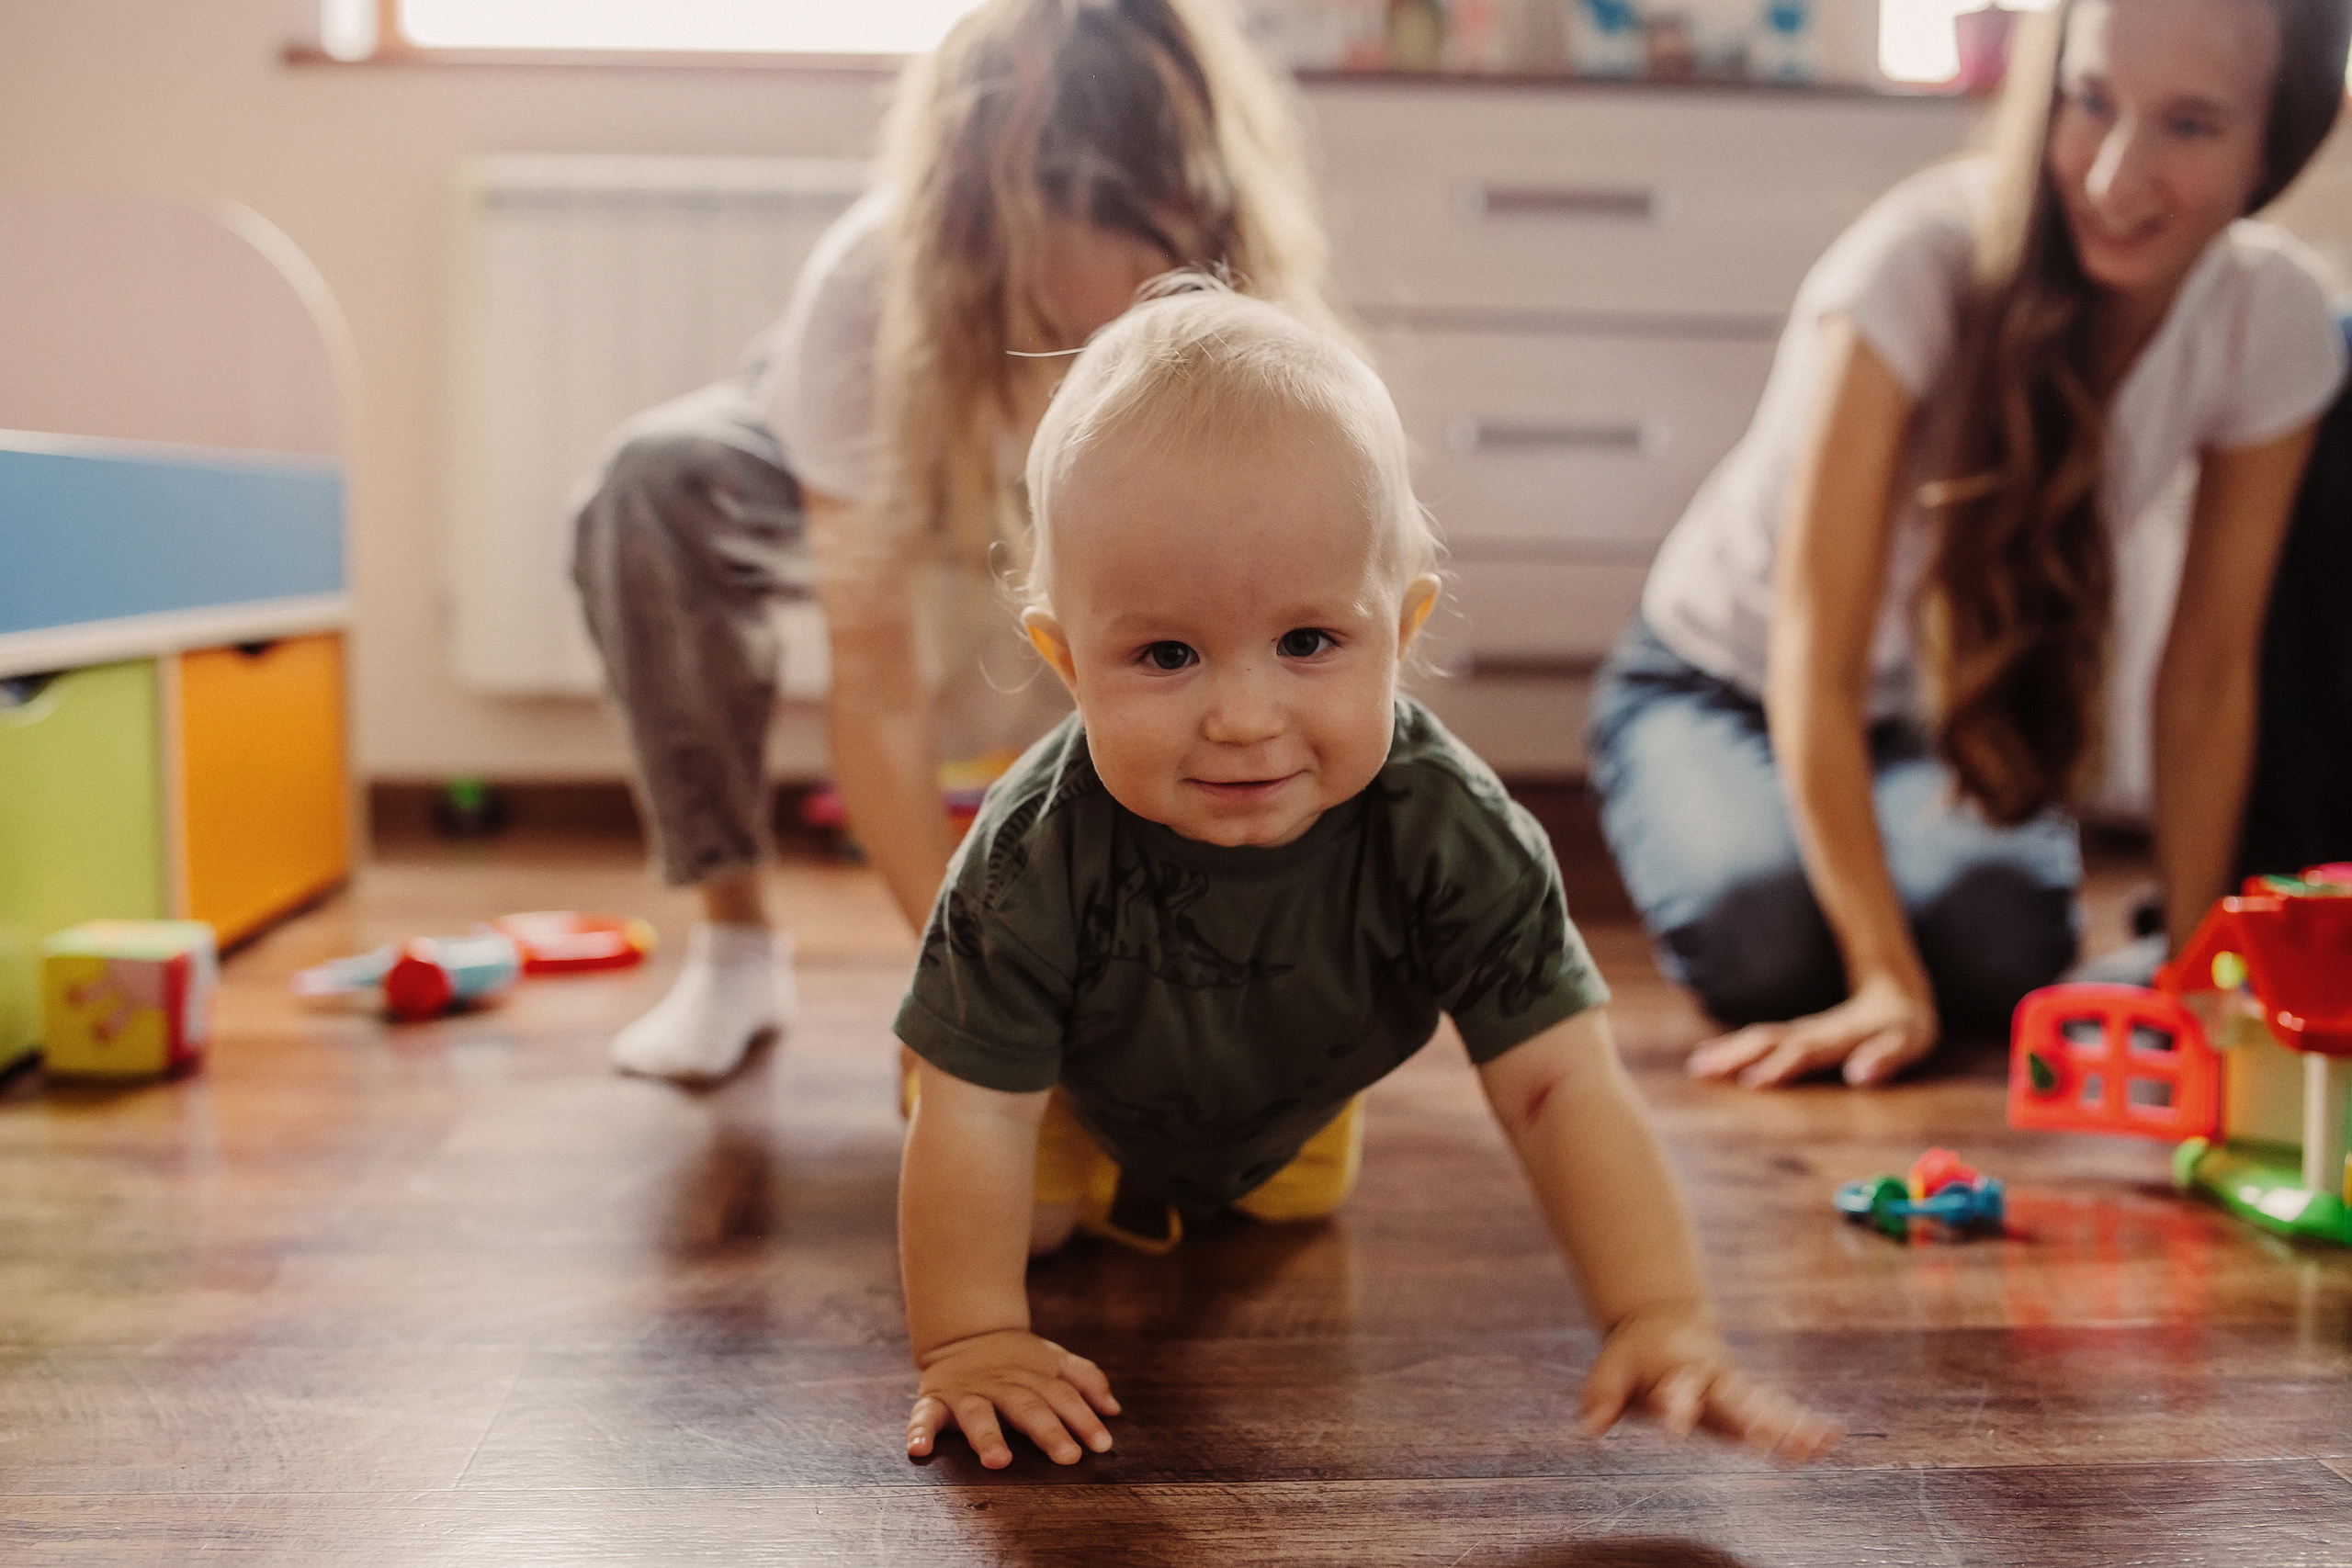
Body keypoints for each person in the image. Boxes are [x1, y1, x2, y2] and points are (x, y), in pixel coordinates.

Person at [892, 282, 1839, 1471]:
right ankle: (998, 1100)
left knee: (1289, 1203)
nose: (1245, 715)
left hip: (1293, 1095)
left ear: (1402, 627)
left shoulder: (1453, 834)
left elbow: (1560, 1085)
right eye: (1167, 654)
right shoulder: (1032, 848)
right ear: (1065, 658)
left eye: (1308, 642)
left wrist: (1658, 1309)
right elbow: (975, 1111)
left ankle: (1256, 1137)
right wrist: (971, 1336)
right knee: (1015, 1202)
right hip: (1065, 1093)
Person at [1589, 0, 2351, 1089]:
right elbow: (1817, 651)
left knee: (2001, 947)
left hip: (1925, 717)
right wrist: (1884, 976)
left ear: (2278, 142)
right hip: (1718, 682)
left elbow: (2208, 675)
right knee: (1767, 945)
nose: (2112, 179)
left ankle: (1895, 914)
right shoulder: (1915, 264)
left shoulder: (2270, 318)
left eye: (2190, 126)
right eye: (2090, 103)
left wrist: (2195, 977)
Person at [571, 0, 1338, 1081]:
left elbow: (1290, 619)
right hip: (869, 445)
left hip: (1045, 472)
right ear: (1014, 199)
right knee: (648, 485)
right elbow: (876, 683)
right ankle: (736, 942)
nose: (1161, 248)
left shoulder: (1220, 254)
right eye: (1127, 217)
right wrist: (971, 982)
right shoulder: (875, 282)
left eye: (1181, 208)